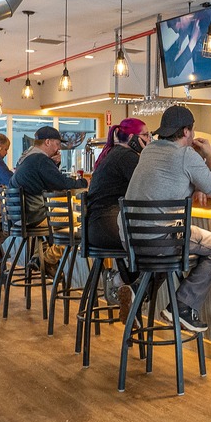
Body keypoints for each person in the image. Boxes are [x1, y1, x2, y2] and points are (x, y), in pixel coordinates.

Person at [120, 106, 211, 333]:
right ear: (187, 131)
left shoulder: (148, 151)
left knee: (169, 244)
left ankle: (139, 289)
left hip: (130, 240)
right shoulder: (186, 155)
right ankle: (182, 307)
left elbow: (172, 179)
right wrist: (209, 156)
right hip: (160, 241)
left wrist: (196, 184)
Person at [85, 118, 149, 308]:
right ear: (132, 137)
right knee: (155, 247)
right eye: (145, 135)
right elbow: (146, 187)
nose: (149, 139)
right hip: (106, 226)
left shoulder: (113, 153)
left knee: (144, 245)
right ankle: (122, 284)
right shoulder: (127, 157)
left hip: (96, 228)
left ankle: (127, 290)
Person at [9, 126, 88, 273]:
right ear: (47, 142)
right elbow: (62, 184)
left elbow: (50, 181)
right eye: (57, 144)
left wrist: (53, 165)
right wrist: (84, 183)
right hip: (34, 215)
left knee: (67, 219)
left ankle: (41, 257)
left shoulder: (26, 158)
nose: (58, 149)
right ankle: (46, 259)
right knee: (81, 220)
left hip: (20, 215)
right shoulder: (40, 160)